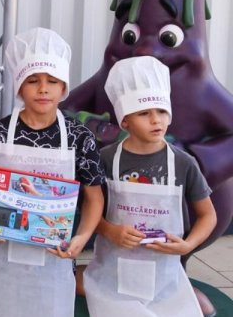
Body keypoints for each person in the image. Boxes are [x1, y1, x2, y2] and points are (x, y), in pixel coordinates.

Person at [0, 27, 104, 317]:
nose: (43, 88)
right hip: (1, 261)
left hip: (55, 259)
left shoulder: (79, 137)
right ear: (19, 87)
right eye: (33, 80)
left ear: (64, 87)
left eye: (52, 81)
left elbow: (94, 198)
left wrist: (82, 237)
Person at [83, 56, 216, 316]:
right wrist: (110, 230)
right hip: (113, 269)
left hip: (164, 276)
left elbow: (207, 215)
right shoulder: (106, 159)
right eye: (144, 113)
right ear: (124, 120)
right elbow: (89, 209)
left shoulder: (183, 163)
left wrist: (188, 245)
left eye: (162, 111)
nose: (156, 120)